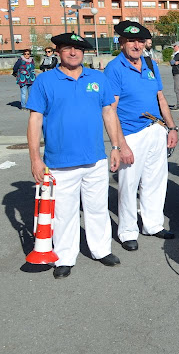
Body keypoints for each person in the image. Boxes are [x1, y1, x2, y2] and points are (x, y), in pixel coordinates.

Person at [26, 32, 122, 279]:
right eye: (67, 48)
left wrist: (116, 146)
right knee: (64, 213)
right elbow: (35, 120)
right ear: (57, 51)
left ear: (84, 53)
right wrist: (35, 158)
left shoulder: (98, 79)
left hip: (95, 159)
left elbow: (109, 113)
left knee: (97, 208)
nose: (72, 52)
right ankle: (65, 257)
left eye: (77, 49)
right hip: (60, 163)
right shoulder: (45, 81)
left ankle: (101, 250)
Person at [104, 21, 178, 252]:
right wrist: (120, 145)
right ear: (122, 43)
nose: (136, 45)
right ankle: (127, 231)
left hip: (155, 129)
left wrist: (172, 128)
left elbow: (161, 98)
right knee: (128, 185)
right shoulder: (114, 68)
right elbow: (111, 109)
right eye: (131, 41)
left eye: (140, 41)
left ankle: (153, 224)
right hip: (131, 135)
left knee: (156, 181)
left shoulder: (149, 64)